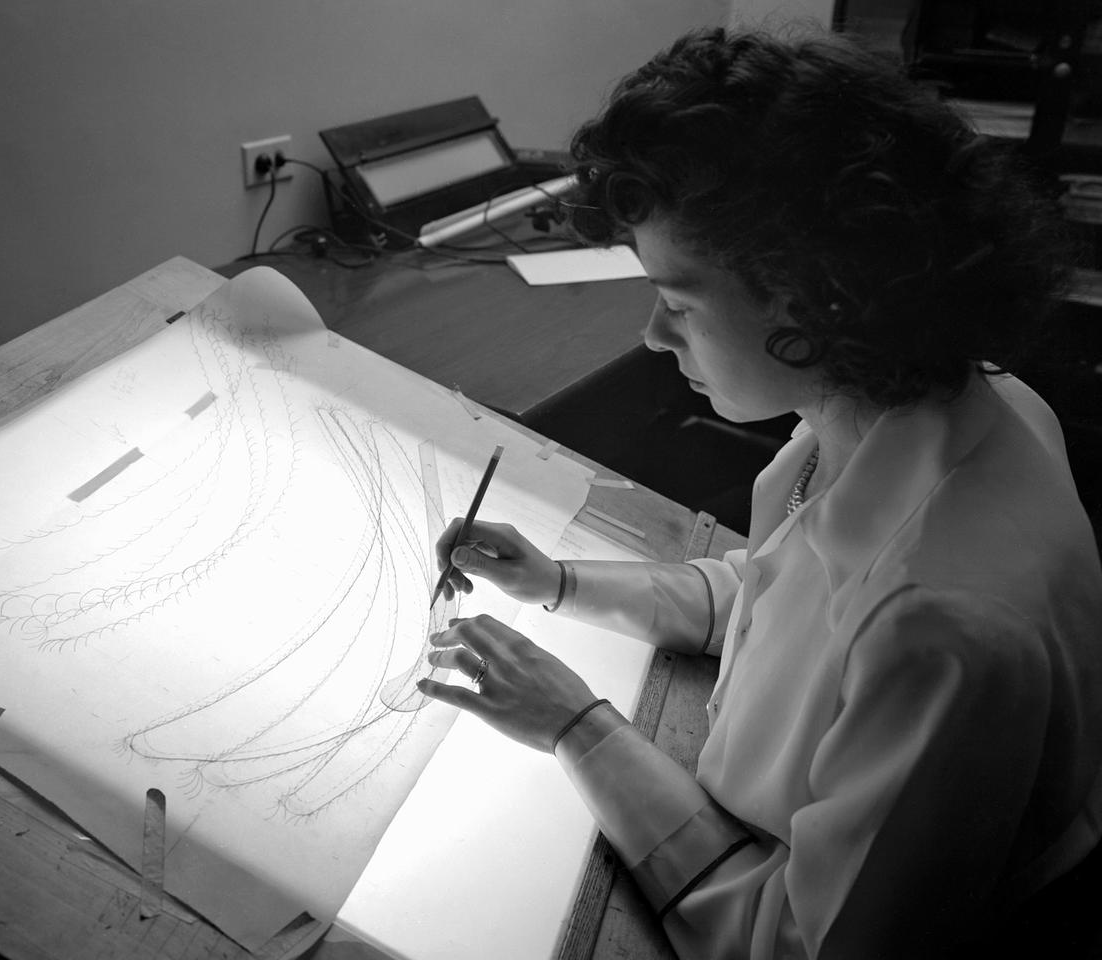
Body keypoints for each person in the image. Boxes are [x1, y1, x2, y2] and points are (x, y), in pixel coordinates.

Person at [415, 26, 1102, 960]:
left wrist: (578, 728)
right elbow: (772, 598)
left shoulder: (943, 626)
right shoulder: (911, 410)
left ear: (815, 299)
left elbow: (796, 943)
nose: (655, 335)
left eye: (681, 301)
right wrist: (562, 584)